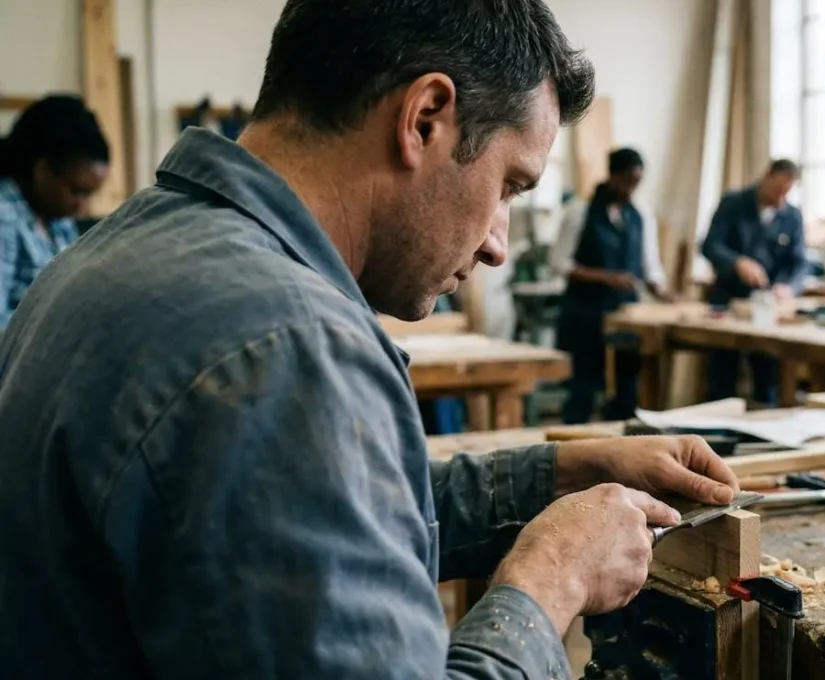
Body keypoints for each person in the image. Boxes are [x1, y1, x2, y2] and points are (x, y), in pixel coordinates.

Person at [0, 2, 741, 678]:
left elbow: (334, 520)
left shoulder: (138, 249)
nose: (497, 246)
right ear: (425, 118)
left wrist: (557, 474)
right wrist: (554, 578)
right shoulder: (283, 347)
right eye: (510, 186)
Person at [551, 147, 672, 423]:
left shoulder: (641, 215)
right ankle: (573, 442)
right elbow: (559, 262)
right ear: (613, 175)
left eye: (637, 182)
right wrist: (607, 277)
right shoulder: (580, 211)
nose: (632, 188)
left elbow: (650, 265)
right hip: (585, 311)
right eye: (628, 180)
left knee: (627, 383)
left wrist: (664, 291)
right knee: (582, 384)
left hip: (625, 314)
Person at [700, 159, 807, 404]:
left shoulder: (792, 216)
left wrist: (788, 287)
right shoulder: (733, 203)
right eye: (778, 189)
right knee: (722, 379)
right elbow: (710, 245)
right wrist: (737, 262)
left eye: (787, 192)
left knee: (767, 379)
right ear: (765, 178)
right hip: (728, 302)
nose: (781, 197)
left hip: (768, 309)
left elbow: (800, 263)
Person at [0, 95, 109, 330]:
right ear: (43, 170)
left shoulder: (56, 219)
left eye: (90, 194)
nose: (82, 207)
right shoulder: (4, 218)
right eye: (76, 191)